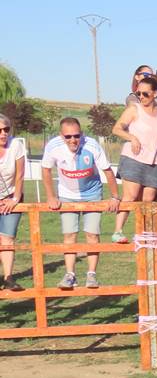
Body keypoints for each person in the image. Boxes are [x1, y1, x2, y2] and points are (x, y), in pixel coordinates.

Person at [40, 118, 120, 290]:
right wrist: (51, 196)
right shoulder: (53, 147)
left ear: (81, 134)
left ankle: (91, 275)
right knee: (69, 235)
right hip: (67, 195)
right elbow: (46, 170)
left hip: (92, 194)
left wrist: (115, 197)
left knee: (92, 234)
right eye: (68, 136)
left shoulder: (92, 146)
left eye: (76, 135)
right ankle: (70, 275)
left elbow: (107, 171)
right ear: (61, 136)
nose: (73, 140)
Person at [111, 76, 157, 244]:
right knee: (130, 196)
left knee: (148, 200)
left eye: (145, 94)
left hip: (154, 162)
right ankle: (118, 231)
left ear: (155, 93)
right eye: (138, 93)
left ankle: (146, 232)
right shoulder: (134, 109)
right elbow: (117, 129)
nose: (141, 96)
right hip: (133, 158)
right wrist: (132, 137)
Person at [0, 113, 26, 291]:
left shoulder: (16, 145)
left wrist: (14, 199)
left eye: (6, 129)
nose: (3, 133)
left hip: (12, 196)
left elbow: (20, 175)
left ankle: (8, 278)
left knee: (8, 238)